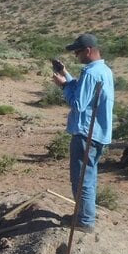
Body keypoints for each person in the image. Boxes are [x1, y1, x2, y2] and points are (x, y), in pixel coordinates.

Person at [52, 33, 114, 233]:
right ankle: (84, 215)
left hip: (86, 133)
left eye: (78, 52)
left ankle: (85, 221)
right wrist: (66, 74)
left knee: (81, 179)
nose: (76, 56)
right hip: (97, 133)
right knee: (89, 176)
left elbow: (78, 103)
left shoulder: (91, 73)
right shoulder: (103, 70)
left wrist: (63, 86)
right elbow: (83, 92)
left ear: (88, 51)